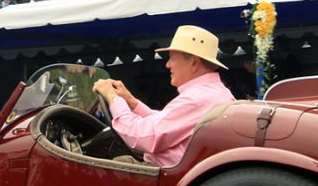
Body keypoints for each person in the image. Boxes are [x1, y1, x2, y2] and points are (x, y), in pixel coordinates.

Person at [92, 26, 234, 167]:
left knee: (108, 166)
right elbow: (167, 123)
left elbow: (144, 137)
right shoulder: (216, 93)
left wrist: (113, 98)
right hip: (182, 172)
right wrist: (131, 102)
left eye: (172, 58)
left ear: (194, 62)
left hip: (167, 174)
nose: (167, 65)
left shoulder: (196, 98)